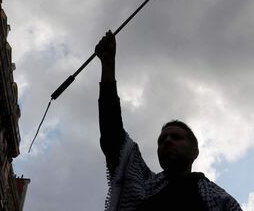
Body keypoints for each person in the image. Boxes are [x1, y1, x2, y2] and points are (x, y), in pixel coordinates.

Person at [95, 31, 242, 211]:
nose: (167, 141)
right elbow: (113, 135)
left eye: (176, 137)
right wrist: (108, 66)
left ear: (195, 151)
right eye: (162, 140)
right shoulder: (142, 186)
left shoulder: (220, 200)